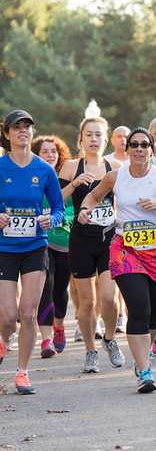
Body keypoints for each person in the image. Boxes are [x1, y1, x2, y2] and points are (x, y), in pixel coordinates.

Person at [79, 127, 156, 393]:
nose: (139, 149)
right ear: (127, 149)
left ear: (151, 149)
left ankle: (143, 354)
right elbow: (93, 195)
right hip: (125, 248)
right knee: (137, 307)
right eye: (134, 145)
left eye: (144, 145)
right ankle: (144, 371)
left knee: (153, 316)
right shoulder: (115, 177)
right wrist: (85, 209)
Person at [0, 110, 64, 394]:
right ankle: (4, 339)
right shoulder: (1, 167)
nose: (23, 131)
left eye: (27, 127)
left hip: (35, 247)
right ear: (7, 134)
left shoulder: (44, 170)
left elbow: (60, 209)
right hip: (4, 248)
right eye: (17, 127)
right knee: (7, 316)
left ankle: (22, 372)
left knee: (27, 314)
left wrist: (53, 219)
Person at [59, 117, 125, 373]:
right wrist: (75, 184)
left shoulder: (115, 166)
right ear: (81, 139)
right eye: (89, 135)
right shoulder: (71, 167)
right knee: (87, 302)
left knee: (109, 298)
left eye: (98, 134)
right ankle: (90, 350)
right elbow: (57, 201)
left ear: (105, 139)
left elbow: (124, 199)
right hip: (81, 240)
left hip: (109, 238)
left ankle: (109, 338)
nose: (94, 139)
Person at [32, 135, 74, 358]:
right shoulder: (31, 178)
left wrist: (61, 217)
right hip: (41, 241)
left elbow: (72, 209)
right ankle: (46, 339)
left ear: (60, 156)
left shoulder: (66, 181)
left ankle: (59, 325)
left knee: (60, 290)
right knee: (45, 288)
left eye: (53, 151)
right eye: (44, 151)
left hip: (64, 243)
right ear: (36, 155)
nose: (49, 155)